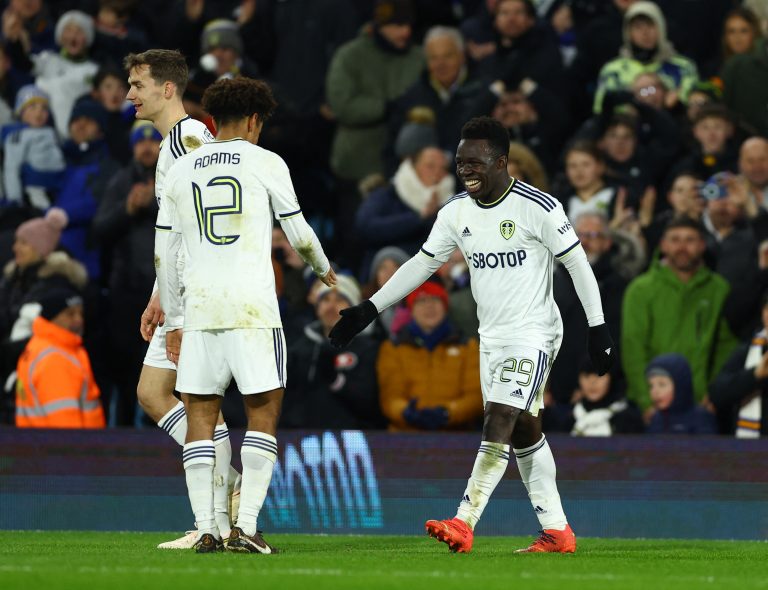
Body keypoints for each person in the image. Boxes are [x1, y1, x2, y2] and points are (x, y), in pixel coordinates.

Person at [329, 116, 613, 553]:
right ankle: (557, 530)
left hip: (534, 332)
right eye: (461, 163)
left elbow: (578, 265)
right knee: (524, 431)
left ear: (502, 162)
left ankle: (464, 520)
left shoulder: (538, 207)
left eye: (476, 163)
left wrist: (597, 328)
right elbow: (422, 264)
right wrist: (370, 308)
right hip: (492, 336)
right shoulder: (455, 212)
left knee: (498, 417)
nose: (466, 171)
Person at [155, 76, 335, 554]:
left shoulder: (181, 169)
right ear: (255, 120)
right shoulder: (267, 162)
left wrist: (175, 320)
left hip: (200, 309)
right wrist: (322, 269)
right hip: (253, 309)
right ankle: (247, 528)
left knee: (200, 414)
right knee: (262, 412)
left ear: (212, 120)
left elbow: (163, 252)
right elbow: (297, 235)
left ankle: (208, 527)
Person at [123, 49, 223, 550]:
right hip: (180, 290)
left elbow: (198, 224)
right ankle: (222, 500)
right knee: (154, 393)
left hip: (197, 295)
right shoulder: (173, 144)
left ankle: (219, 513)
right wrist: (157, 293)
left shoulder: (188, 139)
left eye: (138, 84)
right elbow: (174, 231)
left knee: (196, 403)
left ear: (167, 89)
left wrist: (178, 303)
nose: (129, 95)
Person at [621, 216, 738, 408]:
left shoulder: (719, 288)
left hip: (701, 403)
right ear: (663, 245)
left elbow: (726, 346)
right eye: (675, 240)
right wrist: (646, 400)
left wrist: (716, 393)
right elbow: (633, 348)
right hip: (652, 401)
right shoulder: (640, 289)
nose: (682, 247)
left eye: (689, 240)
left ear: (702, 245)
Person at [377, 279, 483, 431]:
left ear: (445, 306)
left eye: (435, 299)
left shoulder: (468, 346)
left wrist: (447, 413)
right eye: (421, 301)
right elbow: (390, 397)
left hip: (457, 441)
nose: (429, 306)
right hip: (405, 440)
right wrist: (407, 413)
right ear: (412, 309)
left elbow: (476, 397)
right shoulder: (393, 348)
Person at [282, 275, 383, 430]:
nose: (331, 306)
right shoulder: (299, 348)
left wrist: (336, 380)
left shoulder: (367, 348)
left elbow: (369, 403)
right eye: (325, 299)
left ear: (353, 307)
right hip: (303, 440)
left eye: (340, 299)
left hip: (352, 440)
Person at [15, 287, 105, 428]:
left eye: (80, 313)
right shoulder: (55, 359)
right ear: (52, 317)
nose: (79, 319)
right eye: (70, 314)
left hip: (40, 444)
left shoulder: (43, 346)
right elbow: (64, 424)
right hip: (66, 447)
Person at [2, 84, 64, 210]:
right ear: (21, 111)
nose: (39, 112)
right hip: (36, 186)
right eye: (32, 107)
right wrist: (15, 200)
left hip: (57, 182)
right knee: (42, 212)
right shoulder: (17, 135)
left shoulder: (50, 132)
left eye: (44, 108)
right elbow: (12, 167)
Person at [645, 353, 718, 434]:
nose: (655, 391)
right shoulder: (656, 419)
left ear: (680, 385)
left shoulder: (701, 419)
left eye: (662, 384)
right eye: (651, 386)